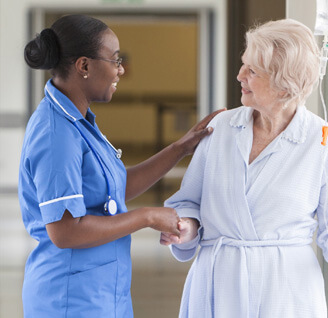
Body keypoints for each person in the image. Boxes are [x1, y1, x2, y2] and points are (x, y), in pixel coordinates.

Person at [19, 14, 223, 317]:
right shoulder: (56, 133)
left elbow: (114, 191)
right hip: (69, 299)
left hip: (101, 293)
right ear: (84, 66)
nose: (121, 70)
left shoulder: (79, 121)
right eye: (115, 60)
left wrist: (181, 148)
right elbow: (65, 232)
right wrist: (147, 216)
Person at [160, 19, 328, 318]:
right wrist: (186, 227)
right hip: (217, 281)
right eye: (243, 65)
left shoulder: (320, 140)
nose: (239, 76)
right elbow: (189, 202)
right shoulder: (220, 127)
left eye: (252, 71)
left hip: (287, 289)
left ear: (283, 82)